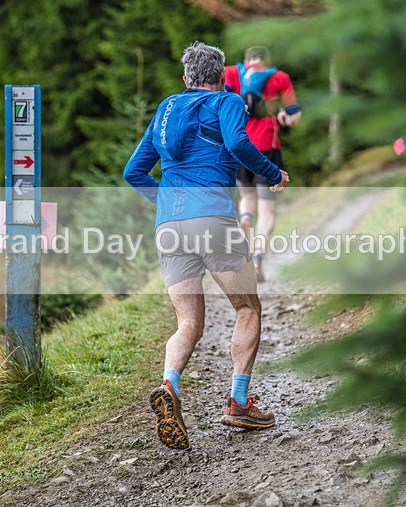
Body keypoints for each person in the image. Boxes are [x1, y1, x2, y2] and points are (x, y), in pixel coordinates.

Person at [123, 41, 290, 450]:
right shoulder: (227, 101)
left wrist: (165, 200)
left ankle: (170, 385)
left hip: (169, 226)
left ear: (185, 79)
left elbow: (134, 171)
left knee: (188, 324)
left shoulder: (165, 109)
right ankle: (237, 401)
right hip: (213, 219)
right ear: (220, 77)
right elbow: (236, 143)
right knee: (247, 307)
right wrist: (271, 173)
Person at [224, 46, 301, 282]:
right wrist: (283, 117)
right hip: (267, 147)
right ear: (266, 61)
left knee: (247, 199)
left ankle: (245, 221)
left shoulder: (229, 73)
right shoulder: (279, 78)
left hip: (239, 147)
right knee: (267, 212)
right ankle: (257, 256)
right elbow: (294, 118)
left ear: (245, 60)